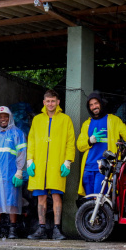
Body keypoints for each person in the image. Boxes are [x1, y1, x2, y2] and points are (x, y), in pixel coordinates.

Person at [26, 89, 74, 240]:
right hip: (39, 164)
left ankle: (57, 230)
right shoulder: (37, 119)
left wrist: (67, 162)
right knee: (41, 197)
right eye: (48, 101)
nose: (50, 104)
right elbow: (31, 140)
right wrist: (29, 161)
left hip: (56, 164)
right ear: (44, 102)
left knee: (56, 196)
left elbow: (70, 142)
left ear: (58, 102)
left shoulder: (65, 119)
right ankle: (41, 229)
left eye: (53, 101)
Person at [76, 92, 126, 197]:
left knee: (99, 200)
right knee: (89, 201)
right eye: (91, 105)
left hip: (104, 168)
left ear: (101, 103)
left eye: (96, 103)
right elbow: (80, 146)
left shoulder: (113, 120)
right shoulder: (87, 124)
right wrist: (90, 141)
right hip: (88, 169)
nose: (94, 106)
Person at [0, 106, 27, 238]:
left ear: (10, 117)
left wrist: (19, 171)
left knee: (11, 200)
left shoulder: (17, 134)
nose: (3, 119)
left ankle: (13, 228)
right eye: (0, 117)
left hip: (11, 174)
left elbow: (22, 153)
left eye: (5, 116)